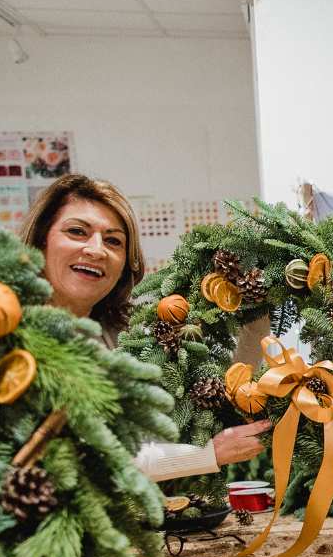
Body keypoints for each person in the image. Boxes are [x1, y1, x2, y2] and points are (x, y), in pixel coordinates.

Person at [21, 175, 269, 482]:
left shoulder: (126, 336)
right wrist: (205, 457)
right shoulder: (9, 340)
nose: (96, 250)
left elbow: (196, 412)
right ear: (41, 239)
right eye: (77, 232)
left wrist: (255, 323)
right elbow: (80, 465)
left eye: (113, 241)